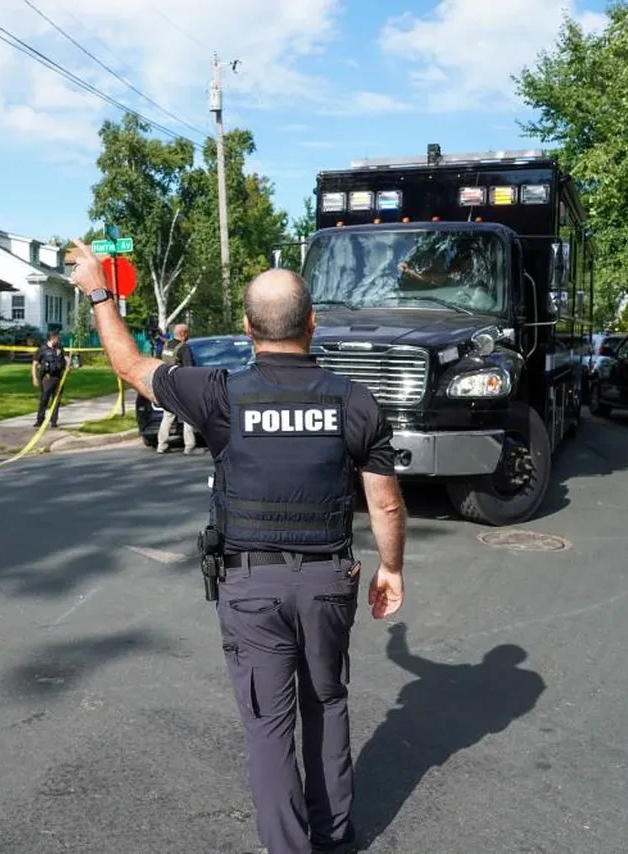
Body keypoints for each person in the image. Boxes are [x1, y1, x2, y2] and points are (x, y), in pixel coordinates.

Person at [67, 239, 407, 854]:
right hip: (329, 581)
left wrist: (99, 292)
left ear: (248, 329)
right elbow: (384, 501)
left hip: (251, 586)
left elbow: (129, 365)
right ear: (313, 324)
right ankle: (333, 835)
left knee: (268, 725)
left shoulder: (222, 394)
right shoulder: (354, 400)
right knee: (327, 703)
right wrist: (392, 569)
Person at [157, 323, 197, 454]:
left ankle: (161, 445)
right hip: (180, 386)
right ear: (183, 334)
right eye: (188, 333)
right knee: (187, 416)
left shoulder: (165, 346)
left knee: (167, 416)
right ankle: (189, 446)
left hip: (166, 386)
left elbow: (158, 363)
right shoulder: (184, 348)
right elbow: (189, 370)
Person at [31, 327, 67, 427]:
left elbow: (65, 360)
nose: (58, 339)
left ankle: (54, 421)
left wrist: (69, 364)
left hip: (59, 378)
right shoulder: (42, 350)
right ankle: (40, 419)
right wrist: (35, 378)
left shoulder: (60, 349)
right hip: (47, 378)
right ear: (52, 338)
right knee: (44, 399)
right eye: (57, 337)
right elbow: (34, 364)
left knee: (56, 401)